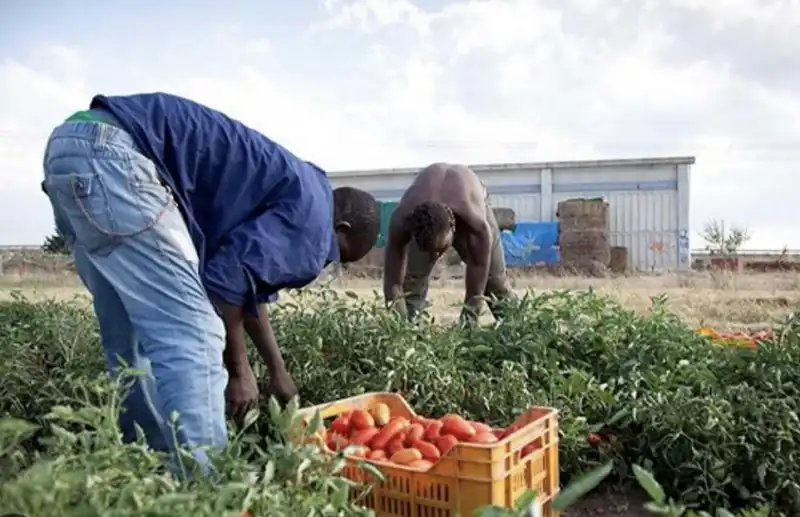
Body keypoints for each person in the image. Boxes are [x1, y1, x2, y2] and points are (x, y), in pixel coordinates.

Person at [40, 92, 380, 476]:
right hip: (118, 158)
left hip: (73, 147)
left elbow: (247, 284)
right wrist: (239, 372)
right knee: (196, 335)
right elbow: (226, 283)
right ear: (341, 229)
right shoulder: (315, 227)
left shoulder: (302, 191)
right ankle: (208, 493)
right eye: (334, 254)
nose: (322, 261)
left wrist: (275, 368)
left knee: (131, 340)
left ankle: (145, 471)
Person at [382, 162, 516, 323]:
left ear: (453, 228)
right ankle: (411, 336)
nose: (435, 256)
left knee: (495, 283)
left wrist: (468, 325)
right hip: (426, 205)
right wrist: (399, 327)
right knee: (410, 285)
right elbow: (393, 284)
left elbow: (476, 288)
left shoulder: (477, 225)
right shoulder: (402, 221)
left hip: (471, 196)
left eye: (439, 250)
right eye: (429, 250)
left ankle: (518, 330)